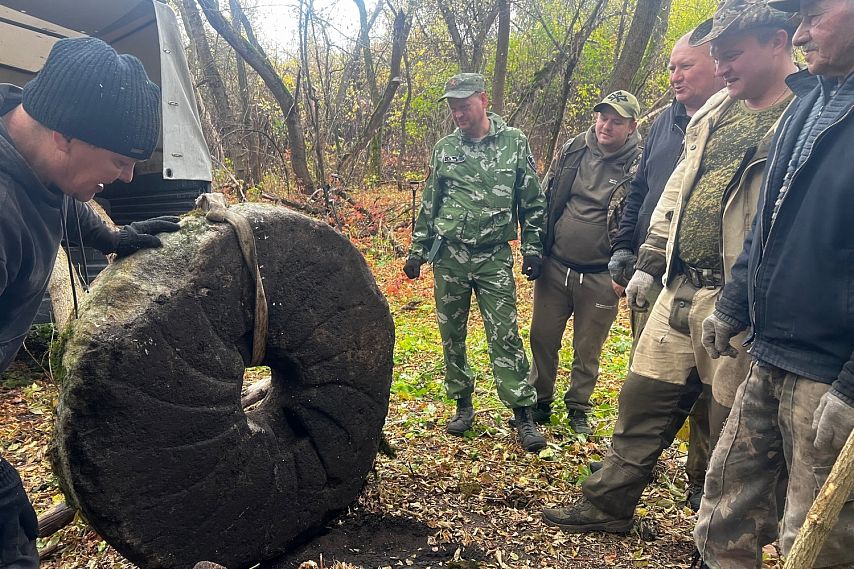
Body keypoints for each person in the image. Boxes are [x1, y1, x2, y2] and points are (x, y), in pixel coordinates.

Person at [541, 0, 798, 533]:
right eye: (718, 57)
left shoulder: (803, 116)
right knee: (641, 398)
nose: (722, 68)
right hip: (679, 287)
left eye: (733, 55)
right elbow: (676, 194)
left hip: (743, 303)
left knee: (731, 425)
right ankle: (606, 506)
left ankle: (721, 535)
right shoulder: (715, 112)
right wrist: (650, 260)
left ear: (778, 42)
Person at [1, 37, 180, 567]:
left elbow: (55, 197)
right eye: (120, 161)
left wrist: (111, 238)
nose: (127, 176)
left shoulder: (29, 140)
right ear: (64, 136)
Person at [695, 0, 854, 564]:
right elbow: (768, 223)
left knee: (813, 545)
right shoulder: (810, 101)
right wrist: (734, 305)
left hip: (831, 374)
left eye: (815, 16)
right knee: (723, 515)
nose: (803, 33)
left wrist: (852, 387)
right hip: (769, 353)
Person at [605, 34, 724, 510]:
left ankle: (702, 482)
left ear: (716, 64)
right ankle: (625, 482)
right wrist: (626, 253)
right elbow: (644, 191)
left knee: (709, 398)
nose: (674, 76)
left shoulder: (741, 119)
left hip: (714, 287)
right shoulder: (666, 125)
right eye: (671, 67)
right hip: (657, 278)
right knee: (648, 383)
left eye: (685, 67)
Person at [403, 73, 548, 453]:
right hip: (449, 256)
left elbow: (532, 202)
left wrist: (533, 248)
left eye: (464, 105)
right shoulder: (445, 148)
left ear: (483, 99)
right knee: (453, 335)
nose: (458, 114)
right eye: (452, 107)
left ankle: (522, 412)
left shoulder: (515, 143)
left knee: (505, 333)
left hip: (493, 256)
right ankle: (463, 403)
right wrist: (417, 250)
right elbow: (430, 204)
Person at [527, 91, 642, 435]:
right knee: (542, 337)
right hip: (557, 264)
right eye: (603, 117)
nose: (606, 126)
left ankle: (578, 406)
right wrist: (537, 247)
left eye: (616, 121)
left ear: (631, 126)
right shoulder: (576, 147)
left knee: (588, 347)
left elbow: (642, 218)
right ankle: (539, 400)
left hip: (601, 275)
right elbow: (547, 196)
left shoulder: (641, 161)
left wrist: (628, 269)